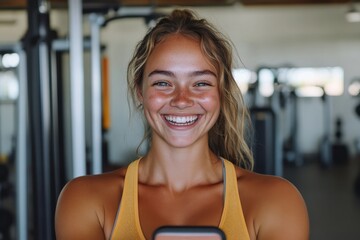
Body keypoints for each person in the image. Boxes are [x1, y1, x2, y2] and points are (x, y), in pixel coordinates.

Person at [55, 9, 309, 240]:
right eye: (163, 83)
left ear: (221, 93)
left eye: (200, 83)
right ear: (140, 92)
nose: (181, 100)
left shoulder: (277, 201)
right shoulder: (85, 200)